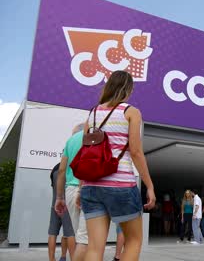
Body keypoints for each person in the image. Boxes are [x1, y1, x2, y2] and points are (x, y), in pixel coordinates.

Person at [57, 70, 156, 261]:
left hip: (92, 187)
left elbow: (85, 154)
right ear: (128, 89)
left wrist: (80, 189)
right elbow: (135, 152)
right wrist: (149, 186)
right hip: (121, 186)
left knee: (94, 247)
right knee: (133, 241)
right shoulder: (131, 112)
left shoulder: (93, 113)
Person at [55, 124, 88, 261]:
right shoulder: (90, 136)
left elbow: (62, 171)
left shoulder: (70, 141)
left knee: (74, 233)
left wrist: (59, 197)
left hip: (69, 191)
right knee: (87, 236)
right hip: (87, 188)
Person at [48, 163, 75, 261]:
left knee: (52, 232)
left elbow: (53, 186)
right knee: (71, 233)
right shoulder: (70, 168)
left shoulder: (55, 168)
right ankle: (73, 258)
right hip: (65, 205)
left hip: (54, 204)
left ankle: (54, 258)